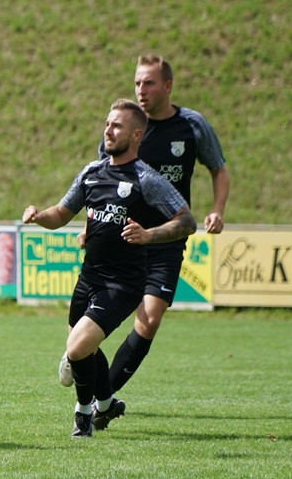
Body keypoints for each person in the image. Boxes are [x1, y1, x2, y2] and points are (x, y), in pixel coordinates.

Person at [24, 99, 196, 437]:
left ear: (136, 135)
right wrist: (39, 216)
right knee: (83, 348)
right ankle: (106, 404)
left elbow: (187, 221)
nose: (108, 130)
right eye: (107, 123)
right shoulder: (92, 172)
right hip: (89, 277)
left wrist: (148, 235)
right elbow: (61, 213)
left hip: (123, 283)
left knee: (76, 348)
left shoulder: (146, 179)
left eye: (117, 126)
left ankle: (83, 414)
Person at [59, 55, 229, 392]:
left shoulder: (192, 126)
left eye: (149, 83)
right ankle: (84, 362)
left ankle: (103, 396)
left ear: (167, 86)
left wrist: (217, 209)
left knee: (148, 319)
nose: (141, 89)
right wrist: (90, 226)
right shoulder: (122, 128)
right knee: (89, 320)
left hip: (165, 239)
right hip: (120, 240)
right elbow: (100, 183)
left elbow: (218, 168)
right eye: (137, 83)